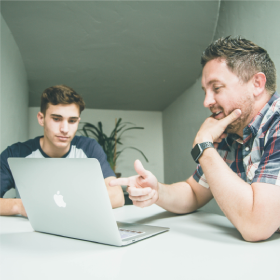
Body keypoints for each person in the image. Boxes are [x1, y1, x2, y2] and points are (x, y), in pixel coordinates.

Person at [110, 36, 280, 242]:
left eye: (216, 88)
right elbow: (194, 192)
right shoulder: (231, 132)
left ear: (257, 83)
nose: (207, 101)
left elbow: (256, 226)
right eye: (205, 91)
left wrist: (204, 147)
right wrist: (157, 191)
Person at [0, 85, 124, 216]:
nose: (64, 129)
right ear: (41, 118)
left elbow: (116, 196)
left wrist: (61, 204)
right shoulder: (15, 154)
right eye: (56, 119)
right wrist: (20, 206)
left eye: (72, 121)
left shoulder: (89, 149)